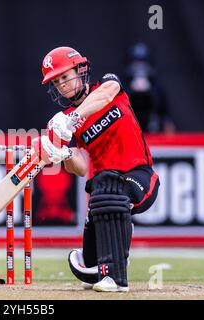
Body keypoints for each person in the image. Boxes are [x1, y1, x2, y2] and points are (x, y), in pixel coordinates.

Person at [37, 46, 160, 292]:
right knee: (100, 185)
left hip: (141, 177)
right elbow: (82, 168)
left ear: (80, 70)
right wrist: (65, 154)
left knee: (107, 185)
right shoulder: (67, 118)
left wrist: (71, 119)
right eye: (57, 82)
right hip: (105, 192)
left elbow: (104, 96)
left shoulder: (107, 84)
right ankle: (112, 246)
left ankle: (117, 279)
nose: (62, 84)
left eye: (65, 76)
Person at [123, 42, 175, 133]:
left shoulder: (158, 90)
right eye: (136, 63)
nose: (139, 67)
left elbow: (167, 119)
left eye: (142, 62)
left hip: (154, 134)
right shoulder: (122, 88)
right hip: (129, 132)